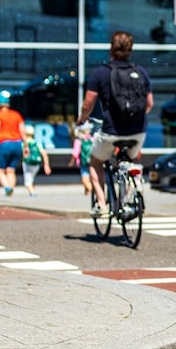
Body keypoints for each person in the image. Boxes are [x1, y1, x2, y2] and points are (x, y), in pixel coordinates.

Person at [76, 31, 154, 216]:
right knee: (131, 159)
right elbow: (149, 103)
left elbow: (88, 103)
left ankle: (102, 204)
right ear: (130, 49)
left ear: (111, 47)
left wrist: (83, 118)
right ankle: (131, 194)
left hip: (111, 131)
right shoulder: (140, 72)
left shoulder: (101, 73)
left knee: (95, 162)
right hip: (138, 131)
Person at [0, 90, 25, 196]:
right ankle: (11, 189)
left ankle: (7, 188)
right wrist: (26, 146)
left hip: (4, 143)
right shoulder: (17, 115)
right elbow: (22, 132)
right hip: (17, 144)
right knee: (11, 170)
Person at [21, 125, 51, 197]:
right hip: (36, 164)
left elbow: (24, 154)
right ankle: (32, 191)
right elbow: (44, 154)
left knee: (27, 180)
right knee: (31, 178)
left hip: (27, 163)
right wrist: (46, 165)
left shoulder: (24, 143)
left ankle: (32, 193)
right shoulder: (37, 143)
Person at [69, 122, 95, 196]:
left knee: (85, 178)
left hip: (83, 162)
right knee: (91, 177)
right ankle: (87, 193)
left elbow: (75, 153)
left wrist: (71, 162)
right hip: (93, 161)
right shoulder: (92, 139)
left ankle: (92, 190)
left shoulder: (78, 141)